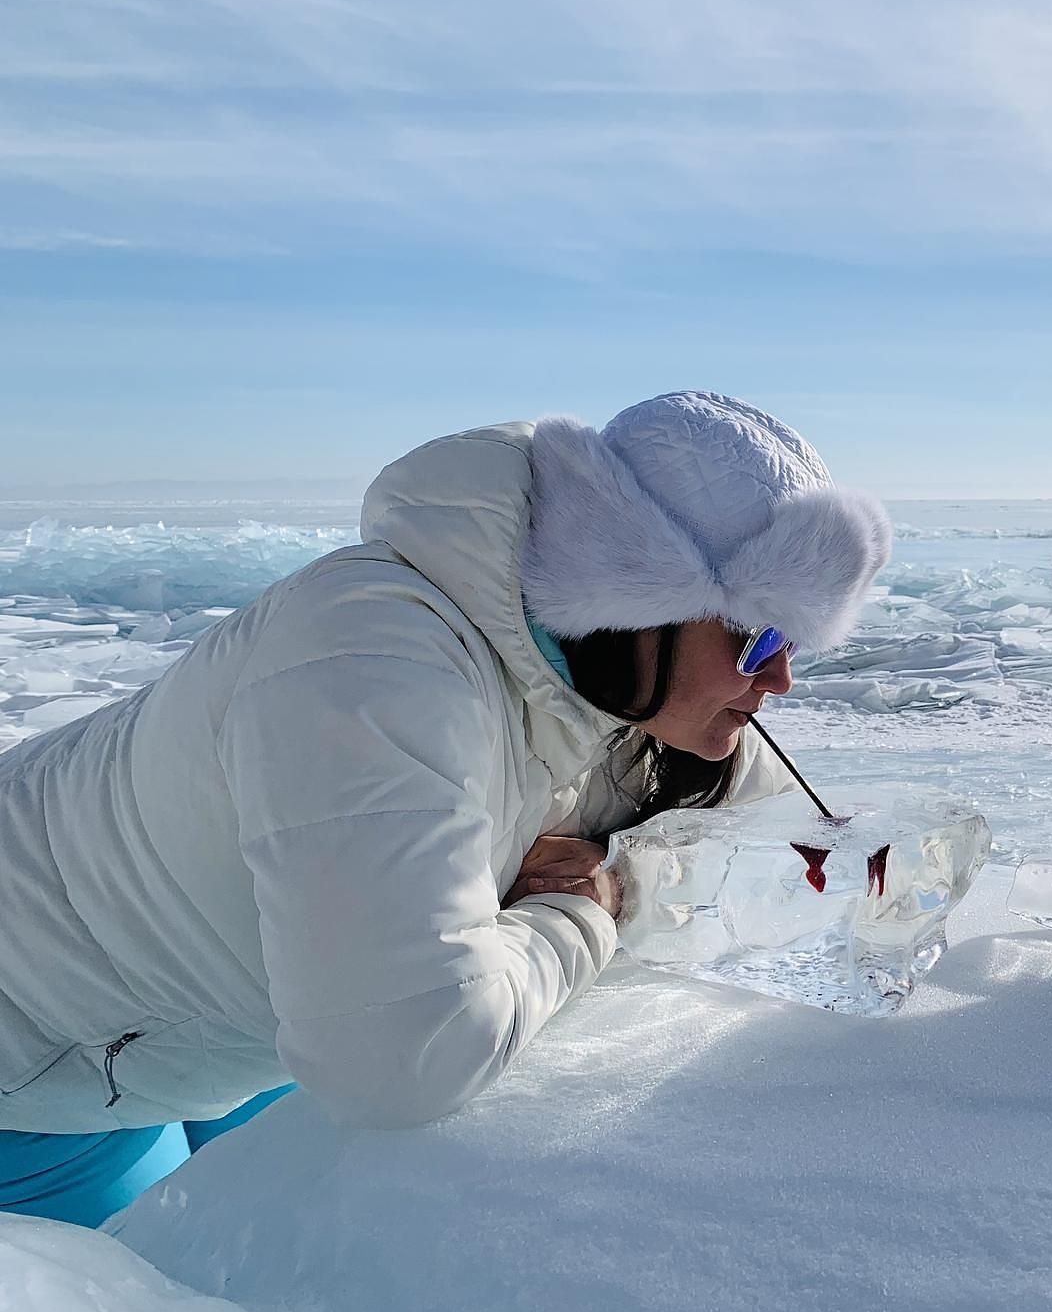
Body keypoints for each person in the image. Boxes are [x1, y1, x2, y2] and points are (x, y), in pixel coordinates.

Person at [0, 391, 890, 1225]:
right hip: (42, 1066)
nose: (780, 678)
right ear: (636, 601)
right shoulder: (372, 660)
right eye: (761, 637)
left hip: (226, 1030)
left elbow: (802, 851)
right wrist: (584, 910)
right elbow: (400, 1061)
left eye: (797, 640)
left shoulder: (619, 691)